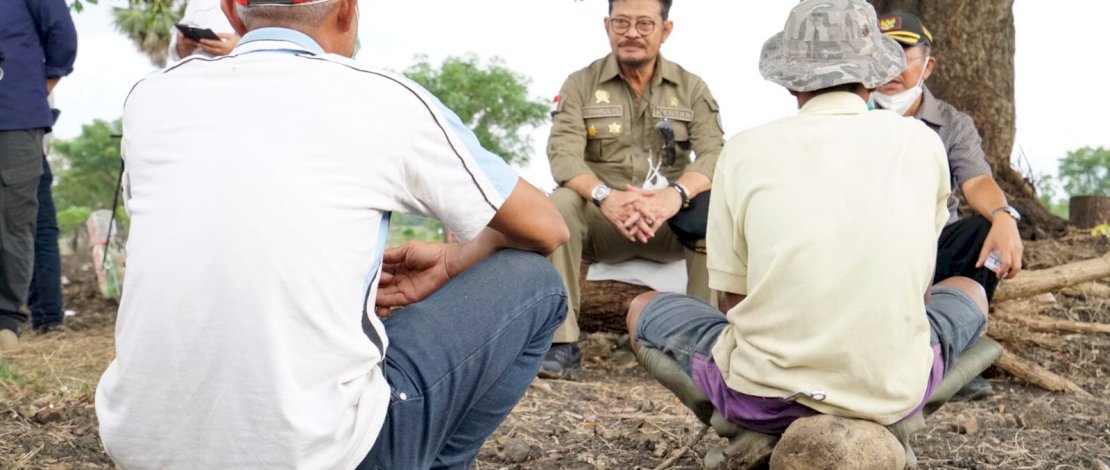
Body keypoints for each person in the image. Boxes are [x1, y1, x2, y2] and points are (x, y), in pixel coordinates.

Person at [94, 0, 569, 467]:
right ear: (346, 9)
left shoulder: (150, 98)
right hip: (320, 453)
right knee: (535, 282)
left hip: (143, 446)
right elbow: (546, 228)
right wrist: (452, 260)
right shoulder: (383, 98)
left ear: (233, 9)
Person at [627, 0, 989, 437]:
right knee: (971, 291)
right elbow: (922, 292)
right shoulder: (921, 143)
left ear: (788, 80)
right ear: (873, 73)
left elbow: (734, 303)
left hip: (763, 397)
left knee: (642, 309)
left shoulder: (743, 150)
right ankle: (889, 431)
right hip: (892, 390)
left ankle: (744, 432)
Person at [542, 0, 725, 379]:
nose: (632, 33)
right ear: (607, 25)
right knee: (559, 202)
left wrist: (672, 197)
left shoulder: (691, 88)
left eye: (644, 24)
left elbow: (714, 154)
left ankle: (702, 349)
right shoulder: (580, 84)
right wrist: (605, 197)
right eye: (622, 23)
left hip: (669, 224)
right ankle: (561, 344)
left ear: (665, 29)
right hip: (604, 221)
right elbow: (563, 157)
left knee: (714, 206)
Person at [876, 12, 1022, 399]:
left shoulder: (952, 124)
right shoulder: (847, 117)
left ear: (927, 65)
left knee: (982, 233)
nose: (891, 65)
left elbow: (976, 180)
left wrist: (1004, 216)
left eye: (904, 54)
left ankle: (951, 346)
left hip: (932, 249)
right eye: (881, 53)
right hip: (869, 250)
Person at [0, 0, 77, 352]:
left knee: (14, 219)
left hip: (13, 116)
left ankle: (6, 322)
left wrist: (34, 85)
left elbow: (61, 35)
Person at [29, 94, 66, 332]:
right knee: (41, 234)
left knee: (39, 235)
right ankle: (48, 318)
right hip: (28, 143)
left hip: (29, 144)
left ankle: (47, 316)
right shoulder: (31, 59)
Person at [167, 0, 239, 62]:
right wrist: (180, 47)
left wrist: (239, 47)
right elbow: (177, 42)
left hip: (236, 69)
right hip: (194, 71)